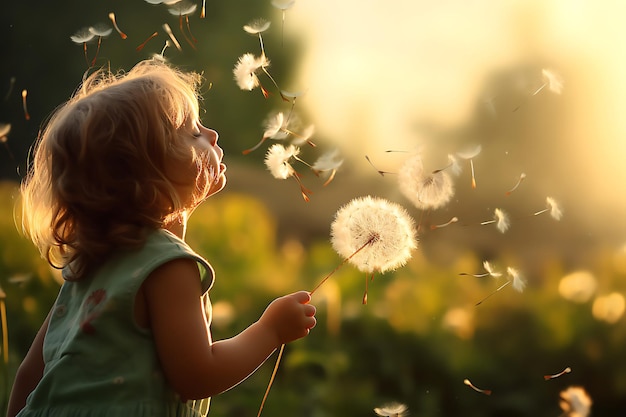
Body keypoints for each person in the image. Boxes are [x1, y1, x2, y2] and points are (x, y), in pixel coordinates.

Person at [7, 59, 317, 417]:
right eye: (193, 133)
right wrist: (270, 330)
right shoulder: (167, 266)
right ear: (146, 174)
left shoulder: (88, 267)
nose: (212, 136)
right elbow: (198, 376)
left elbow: (29, 376)